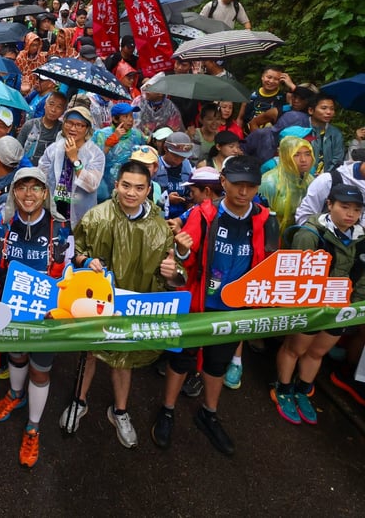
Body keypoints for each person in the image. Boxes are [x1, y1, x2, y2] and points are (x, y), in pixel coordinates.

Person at [157, 156, 277, 456]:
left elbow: (270, 263)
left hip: (235, 308)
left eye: (251, 186)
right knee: (182, 358)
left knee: (217, 363)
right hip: (199, 303)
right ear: (223, 182)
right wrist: (181, 251)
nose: (243, 192)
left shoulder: (264, 220)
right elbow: (185, 261)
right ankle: (167, 410)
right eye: (237, 184)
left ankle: (209, 413)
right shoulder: (204, 215)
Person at [60, 161, 178, 448]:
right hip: (96, 303)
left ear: (149, 190)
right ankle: (79, 401)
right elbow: (74, 253)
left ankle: (120, 411)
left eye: (139, 188)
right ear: (116, 185)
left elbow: (172, 275)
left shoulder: (160, 228)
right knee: (88, 352)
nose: (131, 193)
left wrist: (173, 272)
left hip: (132, 303)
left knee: (124, 357)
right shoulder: (96, 216)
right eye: (126, 185)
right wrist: (86, 261)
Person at [0, 167, 72, 467]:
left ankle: (33, 427)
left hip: (46, 315)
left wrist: (90, 263)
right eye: (22, 187)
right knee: (17, 356)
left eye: (35, 188)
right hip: (13, 308)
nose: (28, 194)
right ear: (13, 192)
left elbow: (70, 272)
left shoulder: (60, 227)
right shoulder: (1, 224)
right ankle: (15, 394)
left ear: (45, 193)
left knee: (40, 370)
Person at [273, 184, 365, 425]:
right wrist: (302, 310)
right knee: (295, 349)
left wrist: (354, 310)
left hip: (342, 309)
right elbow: (295, 277)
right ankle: (283, 388)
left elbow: (363, 278)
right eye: (344, 207)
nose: (351, 214)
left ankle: (302, 391)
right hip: (312, 306)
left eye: (357, 209)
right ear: (329, 204)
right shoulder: (310, 234)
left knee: (317, 352)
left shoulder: (361, 238)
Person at [38, 106, 105, 228]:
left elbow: (92, 185)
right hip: (52, 214)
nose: (73, 128)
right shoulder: (53, 149)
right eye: (69, 123)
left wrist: (74, 159)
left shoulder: (95, 154)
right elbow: (41, 177)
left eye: (79, 125)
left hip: (81, 216)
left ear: (87, 129)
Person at [259, 135, 315, 234]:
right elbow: (259, 217)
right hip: (271, 237)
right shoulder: (269, 182)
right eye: (296, 155)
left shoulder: (310, 181)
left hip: (299, 236)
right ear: (285, 157)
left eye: (307, 154)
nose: (303, 159)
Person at [92, 102, 146, 201]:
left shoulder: (137, 135)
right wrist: (111, 141)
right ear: (115, 119)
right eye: (126, 116)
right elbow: (93, 160)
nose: (130, 120)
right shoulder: (101, 134)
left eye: (131, 116)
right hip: (104, 186)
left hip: (128, 185)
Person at [17, 91, 66, 165]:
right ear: (45, 105)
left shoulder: (62, 131)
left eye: (59, 107)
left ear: (63, 111)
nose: (53, 110)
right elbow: (17, 148)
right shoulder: (30, 125)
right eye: (51, 104)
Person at [307, 93, 343, 173]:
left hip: (327, 176)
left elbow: (337, 159)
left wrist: (326, 177)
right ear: (311, 110)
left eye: (332, 109)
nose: (329, 112)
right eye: (324, 108)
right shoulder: (302, 128)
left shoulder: (335, 133)